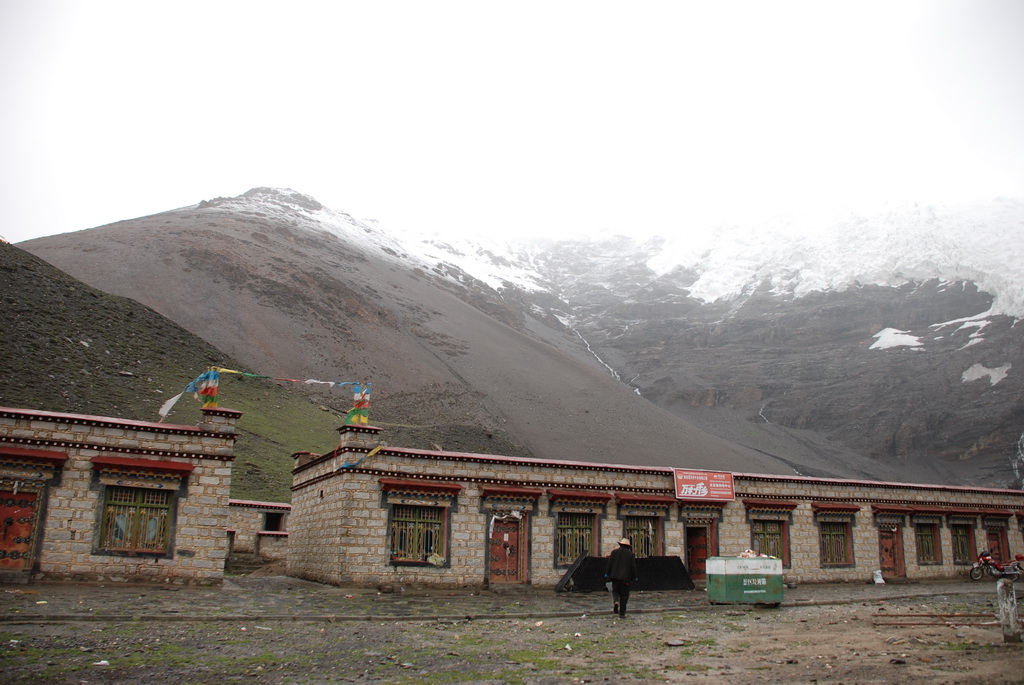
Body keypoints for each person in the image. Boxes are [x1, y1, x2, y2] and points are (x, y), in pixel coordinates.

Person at [604, 537, 638, 617]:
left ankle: (616, 601)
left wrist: (607, 573)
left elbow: (610, 564)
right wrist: (634, 576)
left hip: (614, 577)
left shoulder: (614, 552)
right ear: (628, 546)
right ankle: (622, 613)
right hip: (625, 579)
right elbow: (633, 566)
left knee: (615, 591)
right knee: (624, 595)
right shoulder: (630, 554)